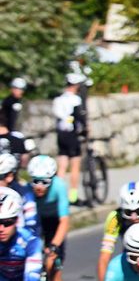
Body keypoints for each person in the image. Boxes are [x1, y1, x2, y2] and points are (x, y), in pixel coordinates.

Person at [28, 154, 69, 281]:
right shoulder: (27, 192)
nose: (39, 186)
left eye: (44, 182)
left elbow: (64, 221)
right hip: (36, 224)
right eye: (35, 181)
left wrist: (53, 247)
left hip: (54, 224)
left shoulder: (59, 187)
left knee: (54, 270)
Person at [52, 73, 87, 205]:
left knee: (62, 166)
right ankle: (73, 197)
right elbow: (80, 117)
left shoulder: (59, 100)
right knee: (75, 167)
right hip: (72, 134)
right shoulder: (75, 100)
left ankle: (58, 195)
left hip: (61, 134)